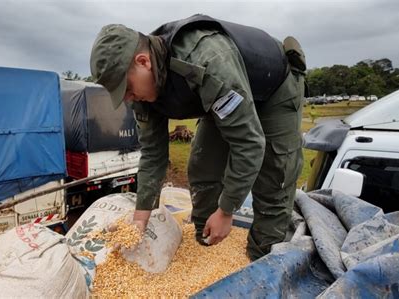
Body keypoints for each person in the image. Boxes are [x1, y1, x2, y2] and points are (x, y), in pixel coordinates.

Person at [90, 14, 306, 260]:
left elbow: (248, 142)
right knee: (203, 167)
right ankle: (206, 244)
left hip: (274, 88)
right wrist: (140, 218)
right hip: (225, 97)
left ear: (143, 62)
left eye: (127, 88)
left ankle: (261, 260)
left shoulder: (205, 61)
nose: (128, 98)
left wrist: (226, 210)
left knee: (274, 177)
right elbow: (152, 155)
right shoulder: (141, 94)